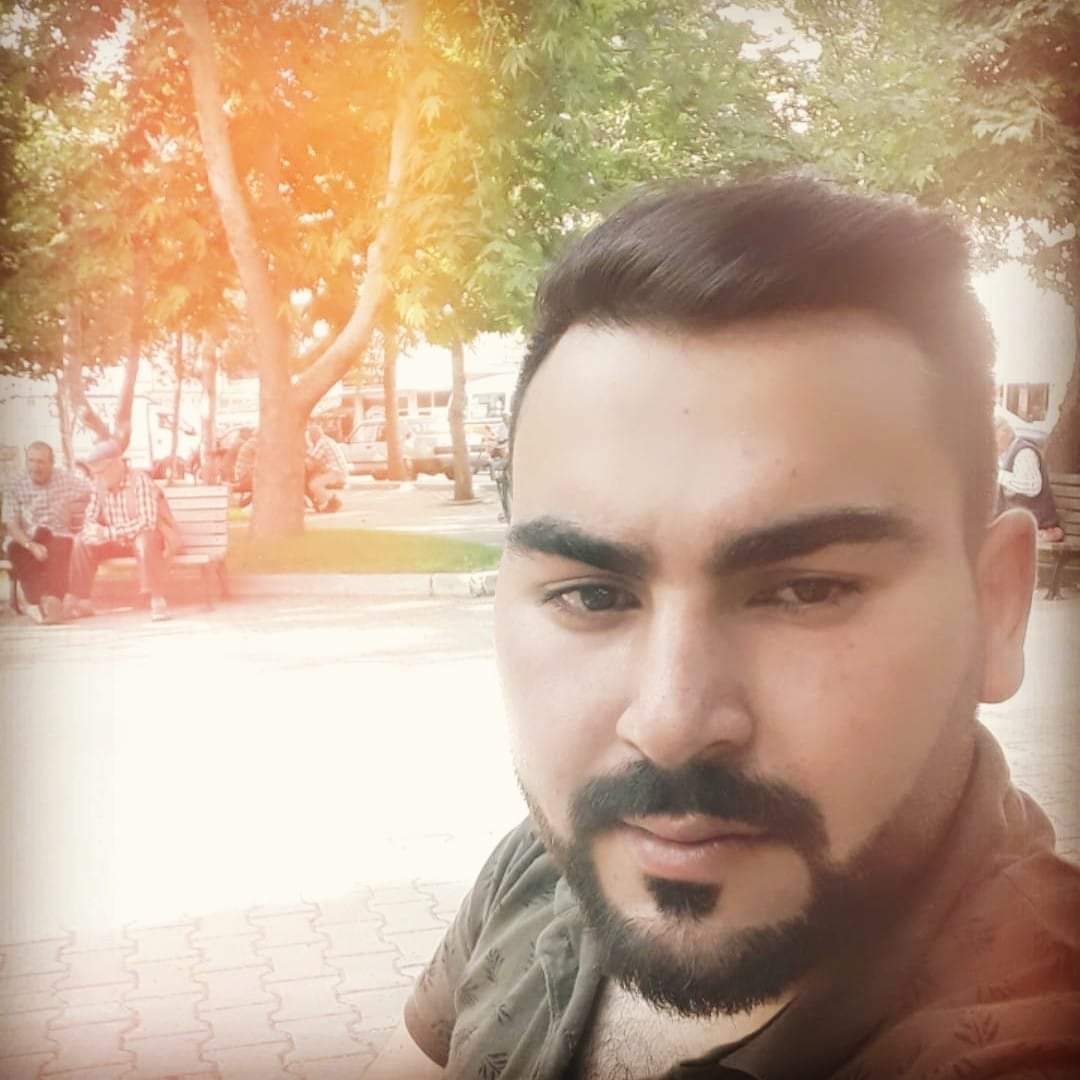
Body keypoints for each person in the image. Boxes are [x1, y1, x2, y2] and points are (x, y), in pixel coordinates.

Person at [367, 177, 1080, 1080]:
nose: (669, 726)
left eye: (806, 590)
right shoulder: (545, 870)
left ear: (998, 610)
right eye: (592, 595)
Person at [67, 439, 171, 622]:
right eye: (96, 472)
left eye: (102, 471)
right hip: (115, 541)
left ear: (117, 464)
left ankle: (157, 598)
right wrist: (92, 531)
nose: (99, 476)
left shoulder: (140, 480)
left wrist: (108, 533)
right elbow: (89, 517)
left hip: (141, 538)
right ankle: (82, 600)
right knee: (81, 542)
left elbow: (147, 521)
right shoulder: (98, 484)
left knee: (145, 540)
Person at [1, 441, 91, 624]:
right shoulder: (16, 484)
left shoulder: (64, 479)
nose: (35, 467)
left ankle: (52, 601)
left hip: (57, 536)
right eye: (31, 461)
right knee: (15, 548)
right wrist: (31, 545)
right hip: (27, 538)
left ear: (51, 462)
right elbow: (11, 523)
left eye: (41, 462)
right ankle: (41, 601)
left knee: (61, 544)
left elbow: (91, 489)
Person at [995, 412, 1065, 543]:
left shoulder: (1024, 452)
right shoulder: (1004, 455)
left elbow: (1031, 487)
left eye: (992, 436)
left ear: (1003, 432)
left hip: (1037, 521)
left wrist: (999, 475)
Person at [304, 423, 348, 512]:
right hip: (338, 470)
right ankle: (324, 502)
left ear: (314, 435)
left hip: (337, 472)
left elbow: (312, 460)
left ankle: (334, 501)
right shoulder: (326, 440)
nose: (310, 439)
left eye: (310, 436)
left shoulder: (322, 442)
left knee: (314, 485)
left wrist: (303, 458)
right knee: (314, 479)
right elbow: (316, 458)